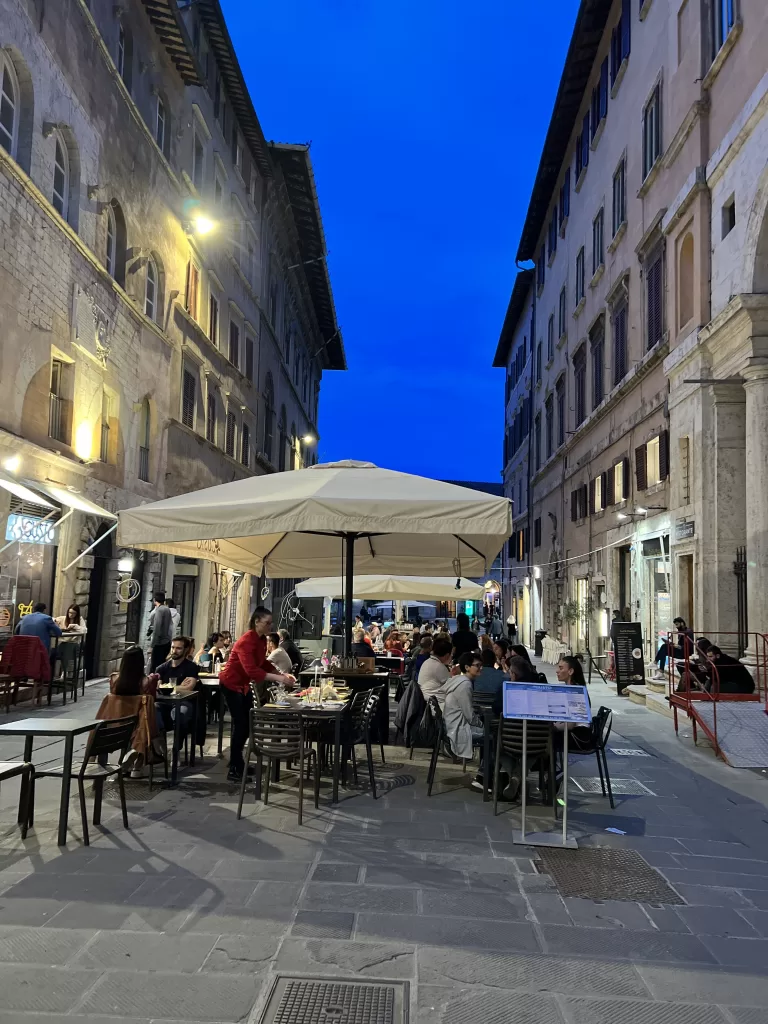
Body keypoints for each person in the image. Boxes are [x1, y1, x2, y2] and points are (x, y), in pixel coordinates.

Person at [218, 607, 295, 781]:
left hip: (242, 686)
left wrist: (282, 675)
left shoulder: (261, 640)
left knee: (246, 725)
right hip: (231, 684)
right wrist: (280, 678)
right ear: (256, 621)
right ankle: (235, 769)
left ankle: (237, 762)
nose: (271, 626)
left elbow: (264, 664)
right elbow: (252, 671)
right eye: (267, 623)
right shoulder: (246, 641)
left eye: (271, 622)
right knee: (242, 725)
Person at [101, 646, 161, 769]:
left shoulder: (114, 679)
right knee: (149, 717)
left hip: (114, 725)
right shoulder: (146, 681)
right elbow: (153, 698)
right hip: (136, 728)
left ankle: (106, 765)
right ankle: (138, 762)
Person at [442, 651, 482, 759]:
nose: (480, 668)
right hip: (458, 727)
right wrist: (482, 724)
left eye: (480, 665)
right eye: (477, 665)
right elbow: (469, 715)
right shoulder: (465, 685)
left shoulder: (458, 680)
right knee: (491, 735)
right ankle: (486, 770)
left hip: (452, 723)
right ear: (467, 667)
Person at [418, 636, 452, 703]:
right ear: (447, 655)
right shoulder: (439, 667)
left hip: (425, 699)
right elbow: (451, 685)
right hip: (435, 704)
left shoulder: (427, 662)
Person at [148, 593, 173, 670]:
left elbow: (157, 628)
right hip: (167, 641)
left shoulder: (159, 610)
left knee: (155, 666)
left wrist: (152, 646)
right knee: (163, 665)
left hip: (159, 643)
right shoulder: (167, 609)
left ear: (155, 600)